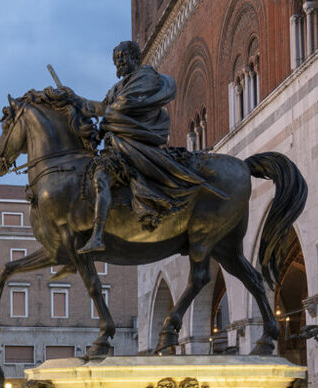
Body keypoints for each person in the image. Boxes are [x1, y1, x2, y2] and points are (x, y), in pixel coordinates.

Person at [64, 40, 225, 254]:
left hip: (133, 145)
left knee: (101, 178)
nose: (119, 62)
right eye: (116, 59)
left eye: (122, 57)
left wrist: (107, 118)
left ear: (134, 57)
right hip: (116, 147)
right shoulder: (116, 88)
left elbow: (121, 107)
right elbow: (103, 107)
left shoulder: (145, 76)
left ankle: (98, 236)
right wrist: (75, 100)